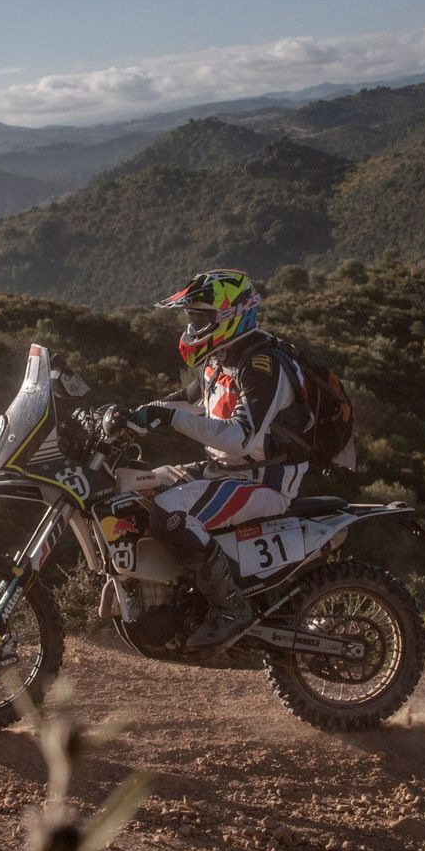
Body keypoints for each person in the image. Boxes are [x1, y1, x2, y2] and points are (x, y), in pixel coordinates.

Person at [123, 268, 310, 653]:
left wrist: (169, 418)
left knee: (167, 511)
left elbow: (241, 438)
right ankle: (166, 598)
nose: (194, 326)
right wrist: (130, 415)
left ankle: (230, 608)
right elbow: (186, 399)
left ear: (231, 316)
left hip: (263, 479)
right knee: (134, 488)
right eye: (192, 318)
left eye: (201, 318)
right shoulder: (221, 358)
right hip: (224, 470)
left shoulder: (262, 366)